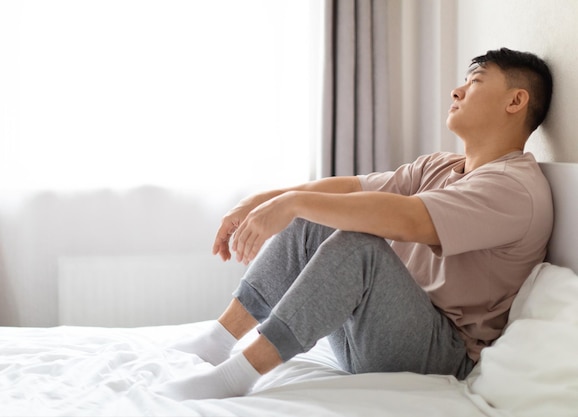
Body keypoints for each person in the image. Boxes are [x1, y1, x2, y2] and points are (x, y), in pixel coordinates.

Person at [159, 47, 554, 400]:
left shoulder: (513, 188)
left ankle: (237, 375)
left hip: (441, 352)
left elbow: (411, 218)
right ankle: (218, 339)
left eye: (476, 82)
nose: (457, 91)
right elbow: (350, 188)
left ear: (516, 101)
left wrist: (294, 203)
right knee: (314, 217)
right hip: (376, 329)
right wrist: (264, 200)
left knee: (355, 245)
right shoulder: (442, 166)